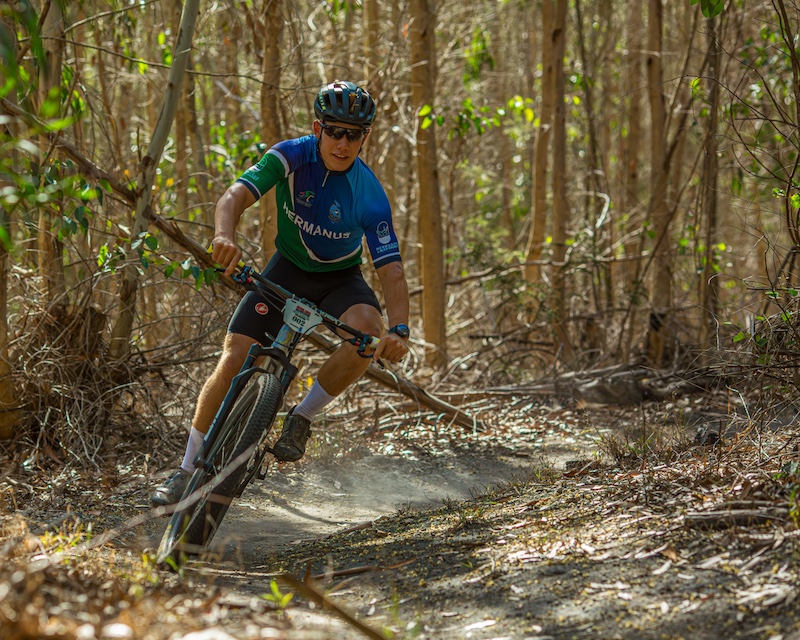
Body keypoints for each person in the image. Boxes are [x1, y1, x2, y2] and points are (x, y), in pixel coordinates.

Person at [151, 80, 410, 507]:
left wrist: (399, 329)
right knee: (235, 355)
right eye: (334, 131)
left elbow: (391, 269)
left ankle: (302, 416)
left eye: (354, 134)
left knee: (368, 333)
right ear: (317, 128)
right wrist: (224, 236)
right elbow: (235, 195)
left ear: (366, 137)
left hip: (338, 278)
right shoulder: (291, 154)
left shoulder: (370, 193)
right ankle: (183, 472)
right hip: (286, 268)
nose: (343, 143)